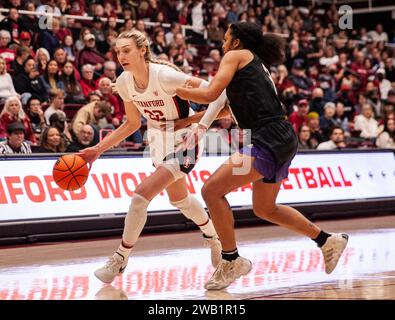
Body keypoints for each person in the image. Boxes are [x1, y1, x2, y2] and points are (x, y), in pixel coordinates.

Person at [175, 22, 349, 290]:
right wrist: (190, 124)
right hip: (279, 136)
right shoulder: (251, 63)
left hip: (266, 138)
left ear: (236, 42)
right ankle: (327, 240)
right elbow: (222, 107)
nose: (222, 43)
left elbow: (209, 93)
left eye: (226, 38)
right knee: (265, 208)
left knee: (211, 190)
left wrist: (171, 87)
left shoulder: (235, 56)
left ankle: (231, 259)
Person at [78, 30, 229, 284]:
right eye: (118, 51)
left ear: (142, 51)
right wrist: (97, 150)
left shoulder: (166, 77)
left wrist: (190, 120)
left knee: (140, 196)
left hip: (185, 140)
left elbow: (221, 99)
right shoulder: (125, 82)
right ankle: (214, 238)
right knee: (179, 199)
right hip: (158, 141)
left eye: (126, 50)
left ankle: (120, 257)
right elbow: (131, 124)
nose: (121, 56)